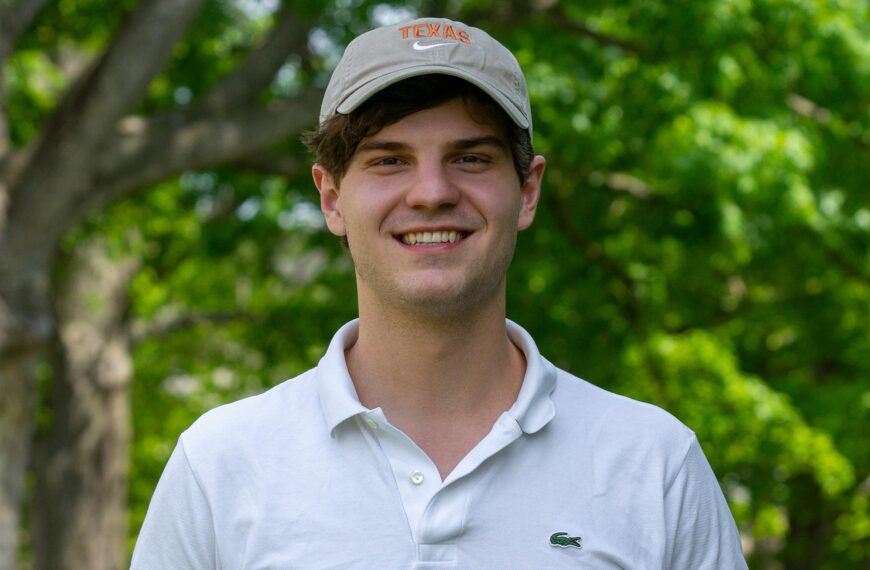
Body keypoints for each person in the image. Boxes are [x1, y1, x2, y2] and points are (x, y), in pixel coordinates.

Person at [132, 17, 747, 568]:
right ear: (331, 198)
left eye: (471, 158)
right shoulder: (221, 466)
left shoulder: (654, 464)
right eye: (389, 160)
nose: (431, 192)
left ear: (528, 190)